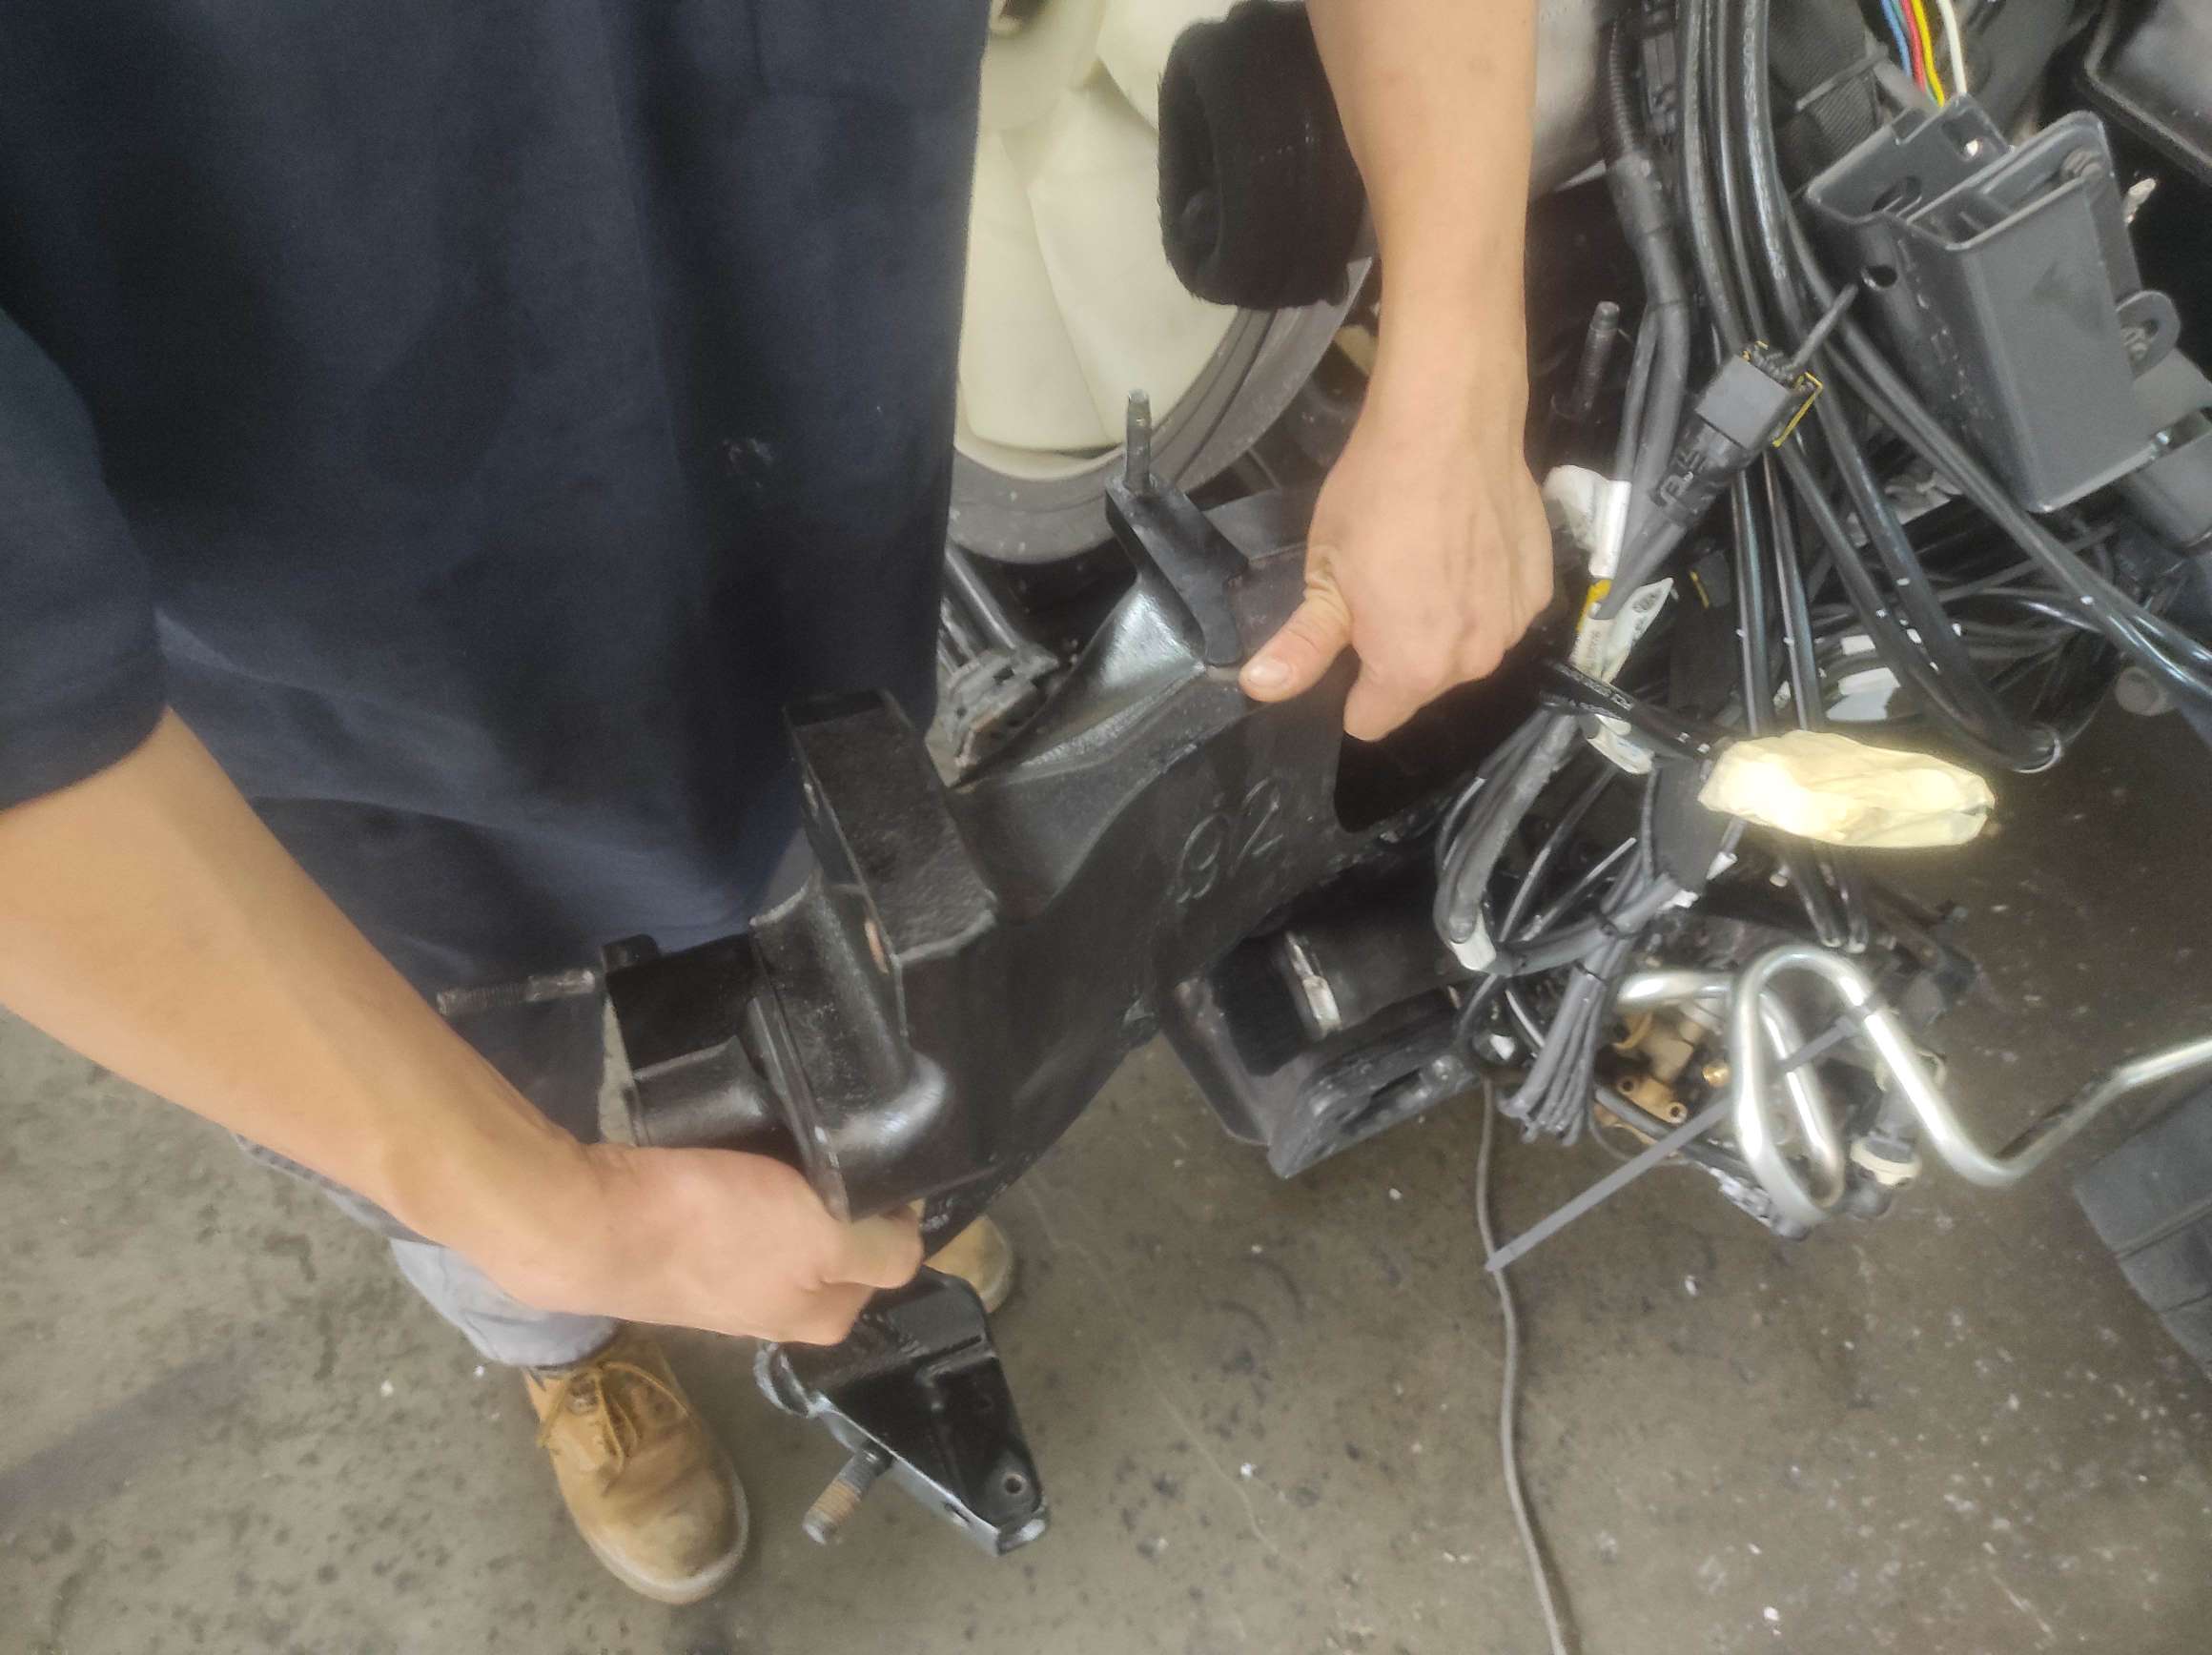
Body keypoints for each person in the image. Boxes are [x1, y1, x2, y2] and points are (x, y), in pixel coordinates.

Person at [0, 0, 1550, 1605]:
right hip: (344, 745)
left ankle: (851, 1190)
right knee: (467, 1089)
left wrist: (1457, 356)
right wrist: (548, 1212)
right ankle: (566, 1339)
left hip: (804, 545)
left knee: (853, 979)